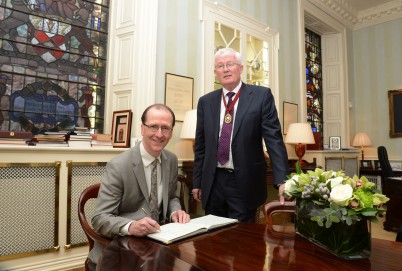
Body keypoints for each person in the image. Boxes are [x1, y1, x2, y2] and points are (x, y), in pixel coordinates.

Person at [192, 48, 289, 223]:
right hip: (213, 182)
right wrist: (197, 182)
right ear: (216, 72)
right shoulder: (206, 102)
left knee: (242, 241)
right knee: (212, 239)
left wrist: (282, 180)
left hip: (244, 182)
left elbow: (274, 140)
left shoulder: (261, 96)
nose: (225, 69)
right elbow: (201, 146)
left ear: (241, 68)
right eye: (220, 66)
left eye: (230, 64)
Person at [89, 104, 190, 268]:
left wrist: (175, 211)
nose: (159, 134)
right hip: (121, 249)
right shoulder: (119, 165)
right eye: (153, 127)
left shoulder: (171, 160)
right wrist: (131, 226)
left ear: (171, 132)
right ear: (142, 128)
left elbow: (171, 197)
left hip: (160, 243)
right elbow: (100, 218)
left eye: (165, 128)